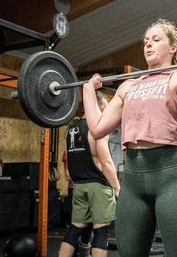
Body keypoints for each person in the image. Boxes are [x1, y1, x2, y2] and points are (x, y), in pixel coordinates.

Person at [82, 18, 177, 257]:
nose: (148, 45)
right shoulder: (128, 86)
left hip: (173, 177)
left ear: (173, 47)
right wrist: (87, 90)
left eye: (156, 40)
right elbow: (97, 129)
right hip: (134, 180)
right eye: (145, 41)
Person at [58, 91, 120, 257]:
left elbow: (70, 162)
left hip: (79, 185)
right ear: (98, 107)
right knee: (101, 233)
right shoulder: (97, 127)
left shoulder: (72, 129)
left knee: (74, 229)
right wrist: (117, 186)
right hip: (98, 186)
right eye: (106, 109)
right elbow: (105, 161)